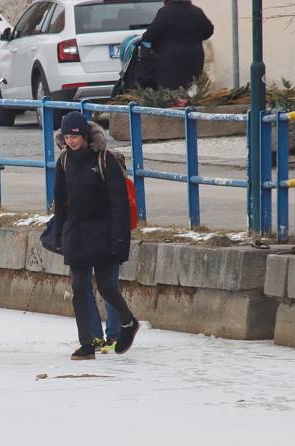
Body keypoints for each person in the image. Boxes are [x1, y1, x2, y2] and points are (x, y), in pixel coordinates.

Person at [54, 111, 139, 360]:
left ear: (86, 136)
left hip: (102, 233)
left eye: (75, 136)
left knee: (106, 286)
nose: (71, 141)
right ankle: (88, 343)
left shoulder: (104, 160)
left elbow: (119, 205)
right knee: (79, 288)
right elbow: (60, 201)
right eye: (67, 137)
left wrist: (119, 241)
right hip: (76, 234)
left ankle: (128, 323)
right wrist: (60, 234)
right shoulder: (64, 162)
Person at [141, 0, 214, 90]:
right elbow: (209, 30)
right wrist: (195, 38)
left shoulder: (165, 12)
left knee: (171, 91)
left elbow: (150, 36)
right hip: (194, 57)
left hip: (170, 59)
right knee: (192, 88)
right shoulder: (196, 11)